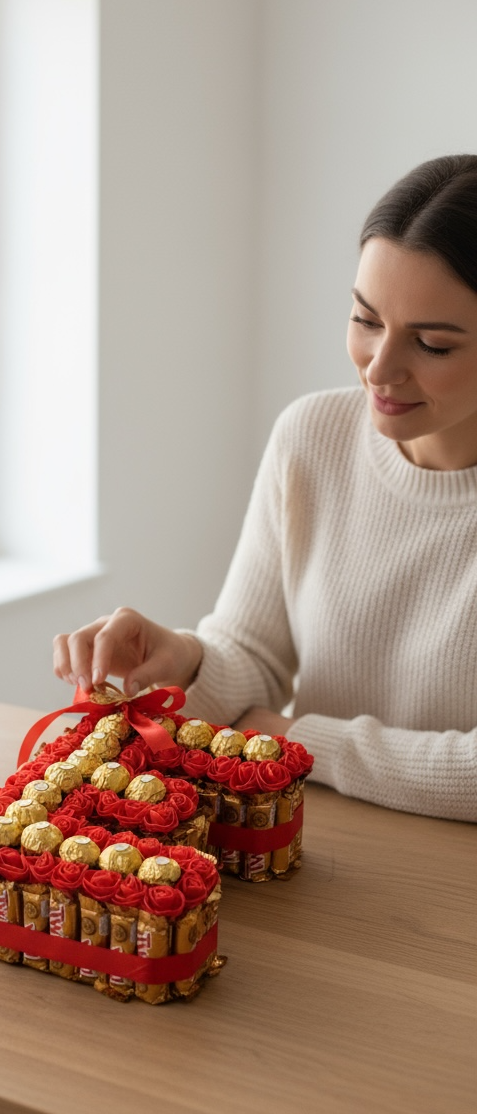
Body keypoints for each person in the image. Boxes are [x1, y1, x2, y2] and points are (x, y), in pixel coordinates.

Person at [54, 154, 477, 823]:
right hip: (303, 848)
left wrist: (299, 739)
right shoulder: (312, 437)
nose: (380, 367)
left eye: (431, 344)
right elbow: (251, 658)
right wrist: (182, 661)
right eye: (366, 319)